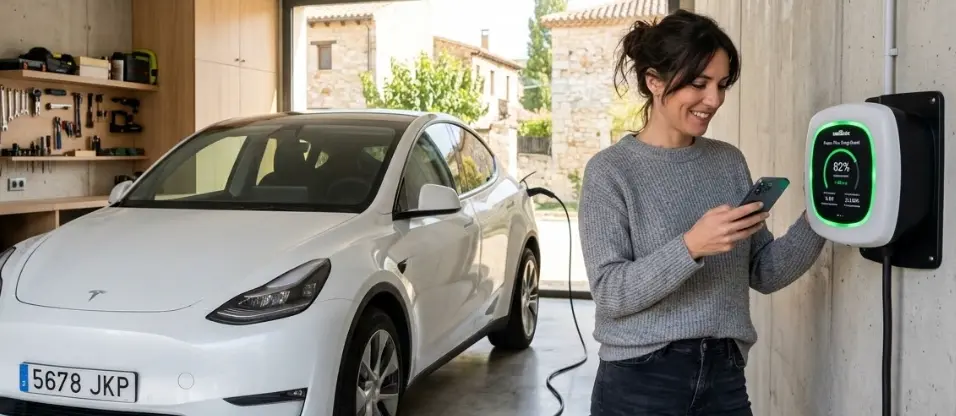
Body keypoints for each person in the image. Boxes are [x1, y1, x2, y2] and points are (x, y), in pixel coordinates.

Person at [579, 9, 827, 416]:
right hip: (640, 380)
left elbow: (764, 271)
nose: (714, 100)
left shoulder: (728, 161)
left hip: (724, 376)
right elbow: (609, 292)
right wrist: (691, 246)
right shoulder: (611, 171)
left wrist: (823, 214)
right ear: (654, 80)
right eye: (699, 83)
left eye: (721, 85)